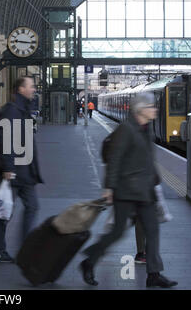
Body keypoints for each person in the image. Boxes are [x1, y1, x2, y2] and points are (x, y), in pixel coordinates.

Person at [79, 93, 178, 288]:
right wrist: (109, 187)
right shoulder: (127, 129)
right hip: (125, 190)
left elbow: (147, 158)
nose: (155, 109)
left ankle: (154, 274)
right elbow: (114, 160)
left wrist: (155, 180)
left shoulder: (146, 129)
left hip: (145, 190)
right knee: (117, 232)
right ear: (140, 109)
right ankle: (89, 261)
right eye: (151, 106)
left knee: (152, 229)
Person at [0, 76, 44, 262]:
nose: (34, 89)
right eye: (31, 86)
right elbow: (8, 140)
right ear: (20, 89)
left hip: (25, 170)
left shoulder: (22, 109)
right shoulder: (12, 111)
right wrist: (8, 168)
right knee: (5, 211)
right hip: (15, 170)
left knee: (27, 207)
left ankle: (21, 248)